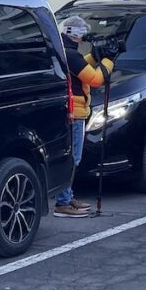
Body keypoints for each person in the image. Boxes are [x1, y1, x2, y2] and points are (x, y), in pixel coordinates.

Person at [54, 16, 115, 219]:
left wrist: (94, 57)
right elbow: (95, 79)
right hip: (75, 113)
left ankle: (67, 197)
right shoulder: (70, 54)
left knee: (71, 157)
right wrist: (108, 60)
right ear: (76, 34)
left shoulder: (64, 50)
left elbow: (79, 68)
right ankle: (63, 203)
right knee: (73, 158)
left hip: (70, 111)